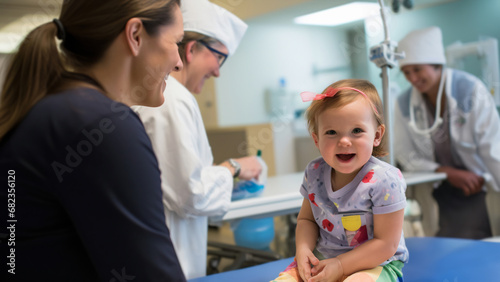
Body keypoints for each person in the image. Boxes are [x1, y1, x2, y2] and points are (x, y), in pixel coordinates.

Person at [0, 0, 186, 280]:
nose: (179, 62)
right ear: (135, 35)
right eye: (177, 42)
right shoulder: (101, 126)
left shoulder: (50, 108)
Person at [132, 0, 261, 279]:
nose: (217, 71)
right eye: (219, 58)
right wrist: (234, 168)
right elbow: (191, 194)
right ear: (191, 49)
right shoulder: (171, 101)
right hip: (170, 260)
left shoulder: (174, 99)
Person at [272, 79, 408, 282]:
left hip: (375, 263)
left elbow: (385, 244)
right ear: (317, 139)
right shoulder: (315, 172)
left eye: (356, 131)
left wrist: (341, 265)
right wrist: (303, 249)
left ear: (377, 135)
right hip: (323, 260)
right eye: (331, 132)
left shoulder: (385, 181)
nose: (344, 141)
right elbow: (306, 220)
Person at [394, 26, 500, 239]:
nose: (412, 78)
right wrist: (446, 172)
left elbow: (493, 148)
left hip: (478, 186)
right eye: (406, 72)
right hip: (439, 187)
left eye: (417, 69)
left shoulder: (470, 90)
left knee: (481, 245)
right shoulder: (404, 103)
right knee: (446, 243)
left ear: (436, 65)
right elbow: (405, 154)